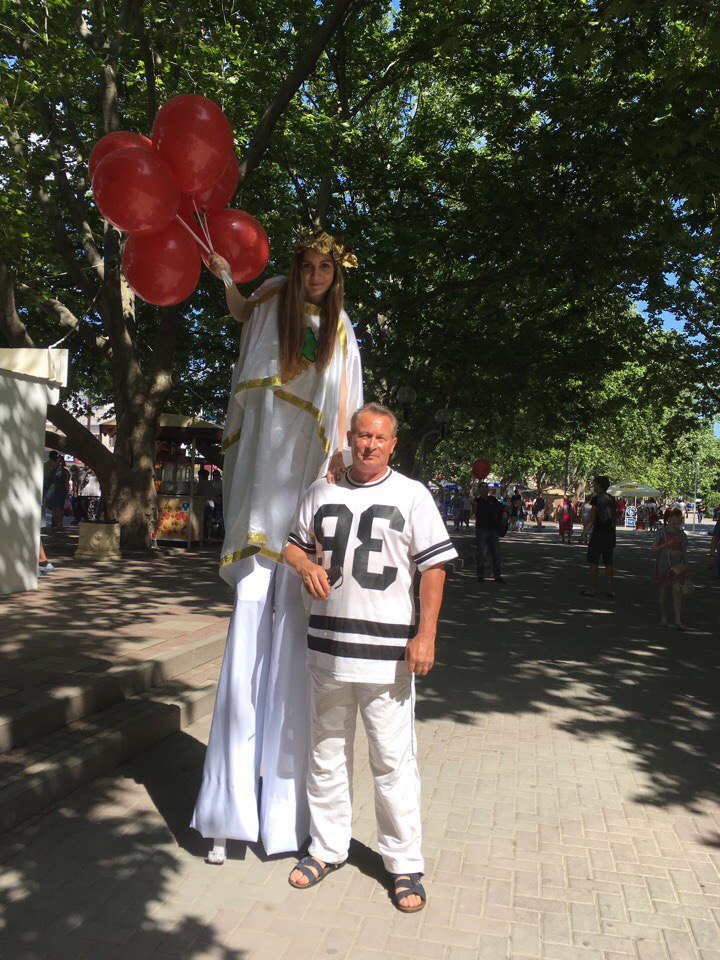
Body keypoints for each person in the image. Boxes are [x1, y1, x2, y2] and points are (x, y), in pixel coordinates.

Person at [191, 228, 363, 865]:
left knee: (294, 656)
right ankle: (225, 816)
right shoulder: (267, 306)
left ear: (336, 275)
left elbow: (347, 424)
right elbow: (238, 308)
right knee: (243, 651)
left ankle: (283, 821)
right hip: (255, 506)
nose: (316, 275)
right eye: (308, 264)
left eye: (326, 267)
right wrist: (222, 276)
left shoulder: (343, 336)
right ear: (296, 267)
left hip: (303, 518)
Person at [284, 403, 457, 913]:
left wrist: (425, 635)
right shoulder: (321, 490)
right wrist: (302, 566)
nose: (369, 445)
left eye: (380, 438)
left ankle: (404, 864)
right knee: (326, 754)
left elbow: (434, 569)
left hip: (386, 659)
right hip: (327, 651)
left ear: (393, 444)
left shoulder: (412, 495)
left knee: (393, 762)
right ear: (350, 437)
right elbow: (293, 545)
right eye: (362, 436)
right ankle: (327, 847)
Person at [652, 507, 690, 630]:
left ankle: (678, 620)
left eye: (680, 516)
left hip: (678, 566)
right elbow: (653, 549)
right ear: (668, 518)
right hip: (663, 566)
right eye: (677, 516)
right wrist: (666, 545)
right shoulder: (661, 532)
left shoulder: (681, 534)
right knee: (663, 592)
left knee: (677, 590)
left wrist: (687, 566)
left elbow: (684, 552)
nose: (680, 518)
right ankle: (663, 616)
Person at [581, 475, 617, 599]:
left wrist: (584, 533)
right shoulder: (612, 499)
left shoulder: (596, 499)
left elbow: (592, 519)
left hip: (598, 534)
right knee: (609, 562)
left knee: (593, 562)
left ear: (599, 485)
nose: (593, 486)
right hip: (610, 534)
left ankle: (591, 589)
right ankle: (610, 590)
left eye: (595, 484)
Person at [473, 482, 504, 583]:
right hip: (481, 530)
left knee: (496, 553)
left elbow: (500, 507)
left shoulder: (492, 499)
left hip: (492, 529)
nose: (485, 490)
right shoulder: (476, 501)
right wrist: (474, 506)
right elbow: (474, 512)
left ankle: (497, 576)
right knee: (481, 554)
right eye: (483, 488)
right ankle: (480, 575)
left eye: (486, 488)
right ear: (479, 490)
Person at [45, 452, 70, 531]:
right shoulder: (52, 470)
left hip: (60, 490)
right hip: (52, 490)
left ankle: (60, 524)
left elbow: (66, 483)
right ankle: (56, 524)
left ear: (63, 462)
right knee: (53, 508)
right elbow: (49, 480)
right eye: (57, 460)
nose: (58, 462)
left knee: (59, 508)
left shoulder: (65, 471)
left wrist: (67, 493)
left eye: (60, 460)